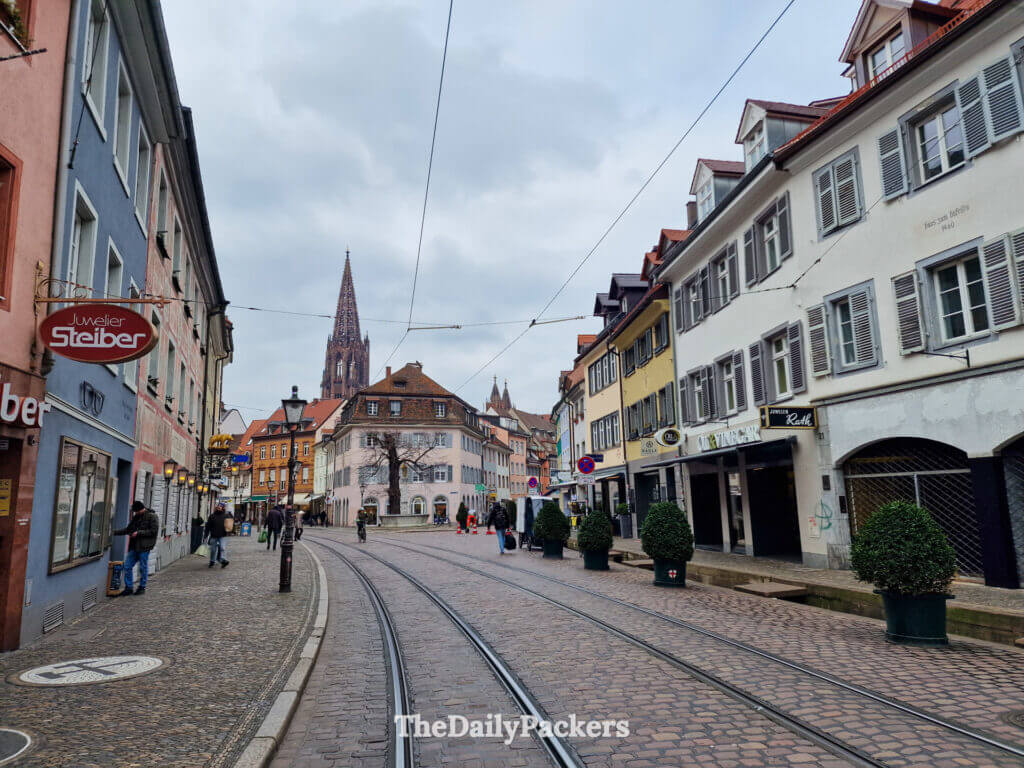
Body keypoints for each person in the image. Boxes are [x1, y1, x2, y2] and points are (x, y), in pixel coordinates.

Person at [113, 501, 160, 595]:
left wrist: (138, 533)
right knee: (127, 566)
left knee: (143, 567)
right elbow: (128, 529)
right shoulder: (136, 517)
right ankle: (129, 588)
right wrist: (113, 533)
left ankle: (142, 587)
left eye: (136, 511)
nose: (135, 513)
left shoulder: (152, 516)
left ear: (140, 509)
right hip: (134, 546)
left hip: (144, 547)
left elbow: (153, 531)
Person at [205, 503, 231, 568]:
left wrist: (229, 531)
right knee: (213, 550)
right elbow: (208, 526)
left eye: (220, 506)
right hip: (213, 535)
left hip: (223, 535)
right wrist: (206, 535)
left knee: (222, 548)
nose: (219, 507)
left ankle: (223, 560)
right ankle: (212, 561)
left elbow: (229, 525)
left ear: (223, 508)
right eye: (218, 506)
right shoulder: (212, 516)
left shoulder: (226, 516)